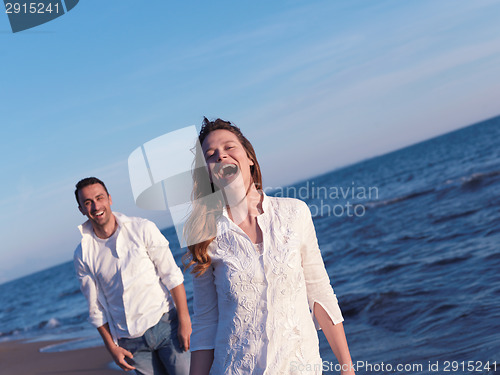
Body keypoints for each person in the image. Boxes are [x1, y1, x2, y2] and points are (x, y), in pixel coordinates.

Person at [185, 118, 355, 375]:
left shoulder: (294, 212)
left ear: (249, 157)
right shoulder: (204, 235)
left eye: (229, 147)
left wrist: (347, 368)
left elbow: (320, 294)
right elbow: (206, 324)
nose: (221, 156)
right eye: (210, 155)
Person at [73, 177, 191, 375]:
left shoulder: (142, 228)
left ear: (109, 199)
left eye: (99, 198)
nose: (95, 206)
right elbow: (95, 309)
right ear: (82, 210)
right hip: (131, 342)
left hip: (166, 326)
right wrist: (112, 347)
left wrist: (185, 320)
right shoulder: (83, 253)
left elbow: (171, 275)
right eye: (88, 202)